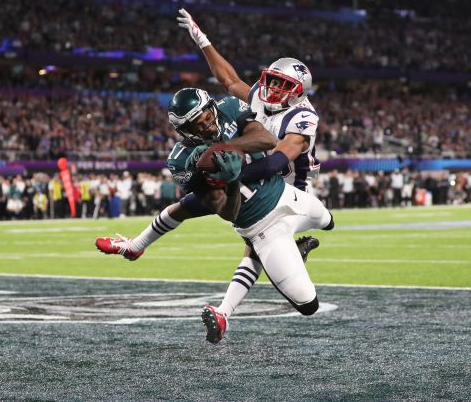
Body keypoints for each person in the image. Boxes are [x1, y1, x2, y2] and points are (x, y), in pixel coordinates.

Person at [97, 9, 323, 300]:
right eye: (274, 80)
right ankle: (135, 246)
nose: (273, 88)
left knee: (253, 242)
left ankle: (229, 306)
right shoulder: (261, 97)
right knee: (186, 205)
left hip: (287, 182)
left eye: (283, 85)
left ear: (298, 92)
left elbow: (277, 157)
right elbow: (229, 80)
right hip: (257, 169)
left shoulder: (303, 117)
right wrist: (202, 39)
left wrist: (230, 172)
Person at [101, 88, 334, 344]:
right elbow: (226, 211)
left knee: (328, 221)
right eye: (198, 124)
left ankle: (135, 247)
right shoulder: (181, 161)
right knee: (309, 304)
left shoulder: (229, 108)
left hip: (288, 195)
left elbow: (266, 140)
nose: (208, 125)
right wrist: (231, 181)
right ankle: (136, 248)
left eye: (208, 116)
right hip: (262, 227)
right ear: (186, 130)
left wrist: (221, 148)